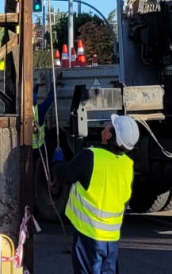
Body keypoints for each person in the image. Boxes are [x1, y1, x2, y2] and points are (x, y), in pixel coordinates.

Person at [55, 113, 139, 274]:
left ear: (109, 135)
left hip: (89, 236)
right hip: (111, 239)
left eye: (109, 125)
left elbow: (64, 176)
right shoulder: (127, 165)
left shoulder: (91, 156)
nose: (105, 125)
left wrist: (57, 161)